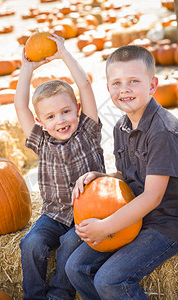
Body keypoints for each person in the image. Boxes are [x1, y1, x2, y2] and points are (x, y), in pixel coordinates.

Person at [65, 45, 178, 300]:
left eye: (134, 81)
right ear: (108, 89)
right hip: (135, 217)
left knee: (110, 280)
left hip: (165, 223)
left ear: (152, 85)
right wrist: (101, 177)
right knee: (76, 267)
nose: (124, 89)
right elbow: (129, 177)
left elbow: (152, 197)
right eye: (116, 83)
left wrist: (105, 226)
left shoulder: (162, 131)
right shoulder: (121, 126)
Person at [14, 33, 105, 300]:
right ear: (40, 121)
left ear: (77, 109)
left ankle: (59, 295)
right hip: (53, 215)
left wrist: (64, 53)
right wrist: (27, 68)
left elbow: (85, 85)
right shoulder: (40, 141)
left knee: (69, 245)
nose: (61, 120)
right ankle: (35, 295)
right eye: (51, 116)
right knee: (30, 243)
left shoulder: (88, 130)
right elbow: (20, 104)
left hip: (87, 215)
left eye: (66, 111)